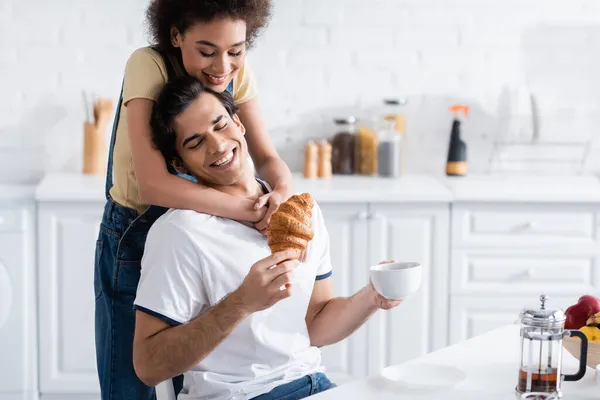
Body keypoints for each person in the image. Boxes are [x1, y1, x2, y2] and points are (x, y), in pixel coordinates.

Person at [131, 76, 402, 400]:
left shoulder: (301, 212)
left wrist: (372, 297)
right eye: (195, 142)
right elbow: (147, 366)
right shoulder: (181, 233)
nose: (217, 145)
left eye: (220, 125)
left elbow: (314, 325)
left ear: (239, 123)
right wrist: (240, 303)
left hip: (314, 384)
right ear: (179, 163)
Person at [93, 1, 294, 399]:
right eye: (206, 51)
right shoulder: (147, 65)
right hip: (136, 234)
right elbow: (153, 185)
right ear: (175, 36)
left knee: (199, 375)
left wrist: (282, 194)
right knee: (130, 383)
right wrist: (248, 211)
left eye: (235, 51)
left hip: (204, 234)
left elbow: (268, 158)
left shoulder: (236, 72)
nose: (222, 66)